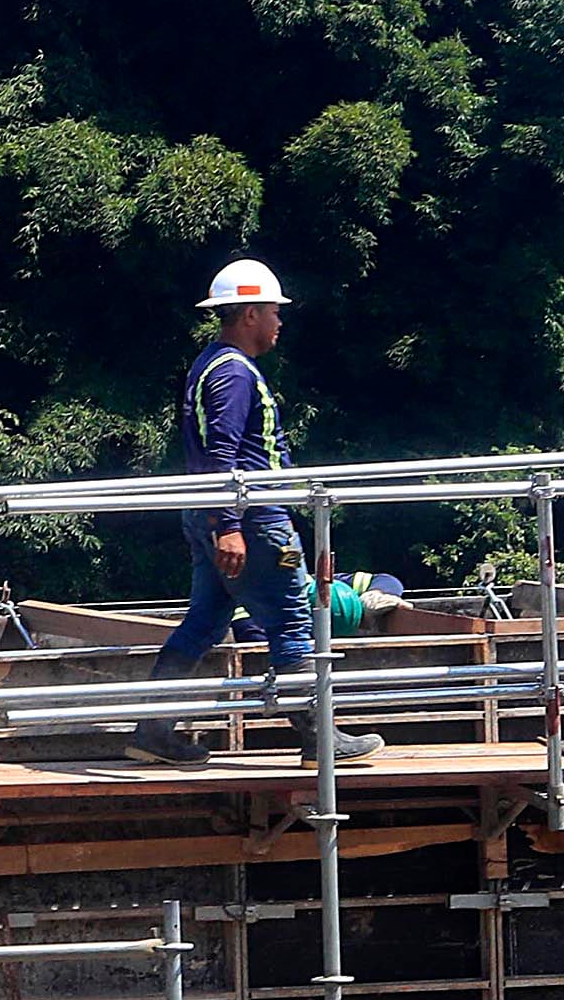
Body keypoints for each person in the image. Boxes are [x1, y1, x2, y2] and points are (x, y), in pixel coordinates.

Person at [134, 262, 382, 767]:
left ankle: (151, 731)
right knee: (293, 617)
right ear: (249, 314)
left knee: (205, 619)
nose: (278, 322)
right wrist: (230, 526)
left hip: (220, 515)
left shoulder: (212, 364)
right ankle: (319, 739)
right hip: (250, 521)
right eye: (273, 311)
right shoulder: (231, 372)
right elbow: (221, 451)